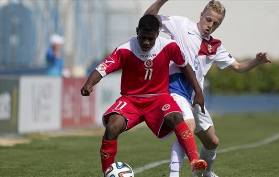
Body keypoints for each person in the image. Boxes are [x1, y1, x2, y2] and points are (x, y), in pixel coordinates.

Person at [145, 1, 271, 177]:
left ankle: (205, 173)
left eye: (216, 23)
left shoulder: (215, 46)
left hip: (197, 96)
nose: (210, 25)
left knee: (212, 142)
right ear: (201, 14)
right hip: (175, 87)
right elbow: (148, 19)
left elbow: (238, 66)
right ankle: (174, 173)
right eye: (209, 19)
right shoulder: (181, 24)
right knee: (187, 127)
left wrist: (256, 61)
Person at [80, 15, 208, 176]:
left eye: (151, 38)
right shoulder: (125, 49)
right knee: (112, 126)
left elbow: (185, 67)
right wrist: (89, 84)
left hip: (159, 97)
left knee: (176, 117)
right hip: (131, 99)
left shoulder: (169, 46)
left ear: (157, 34)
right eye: (143, 38)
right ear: (137, 32)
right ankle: (108, 171)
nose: (146, 42)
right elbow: (103, 68)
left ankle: (195, 161)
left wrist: (198, 91)